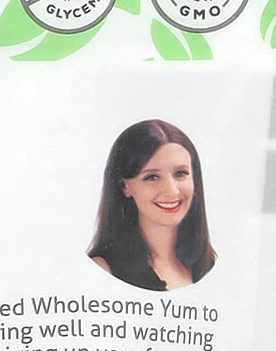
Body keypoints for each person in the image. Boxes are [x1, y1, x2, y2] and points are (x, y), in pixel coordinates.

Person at [87, 119, 216, 290]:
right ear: (124, 186)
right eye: (152, 177)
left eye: (180, 173)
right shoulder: (103, 269)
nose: (171, 191)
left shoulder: (209, 264)